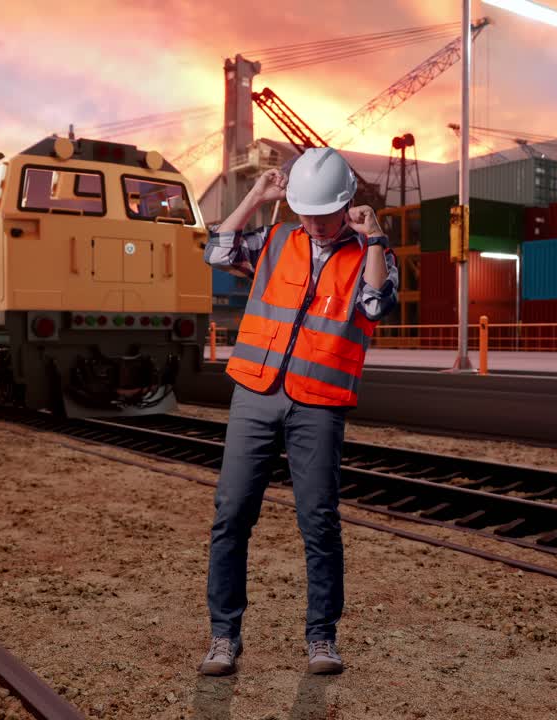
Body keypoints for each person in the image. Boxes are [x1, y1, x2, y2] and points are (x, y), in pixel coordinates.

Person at [198, 147, 398, 676]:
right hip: (255, 394)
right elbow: (216, 251)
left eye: (322, 213)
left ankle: (321, 638)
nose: (311, 222)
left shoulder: (368, 253)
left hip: (319, 405)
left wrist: (374, 237)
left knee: (318, 522)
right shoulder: (278, 238)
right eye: (303, 211)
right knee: (231, 515)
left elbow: (377, 305)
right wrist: (257, 197)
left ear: (348, 204)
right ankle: (224, 636)